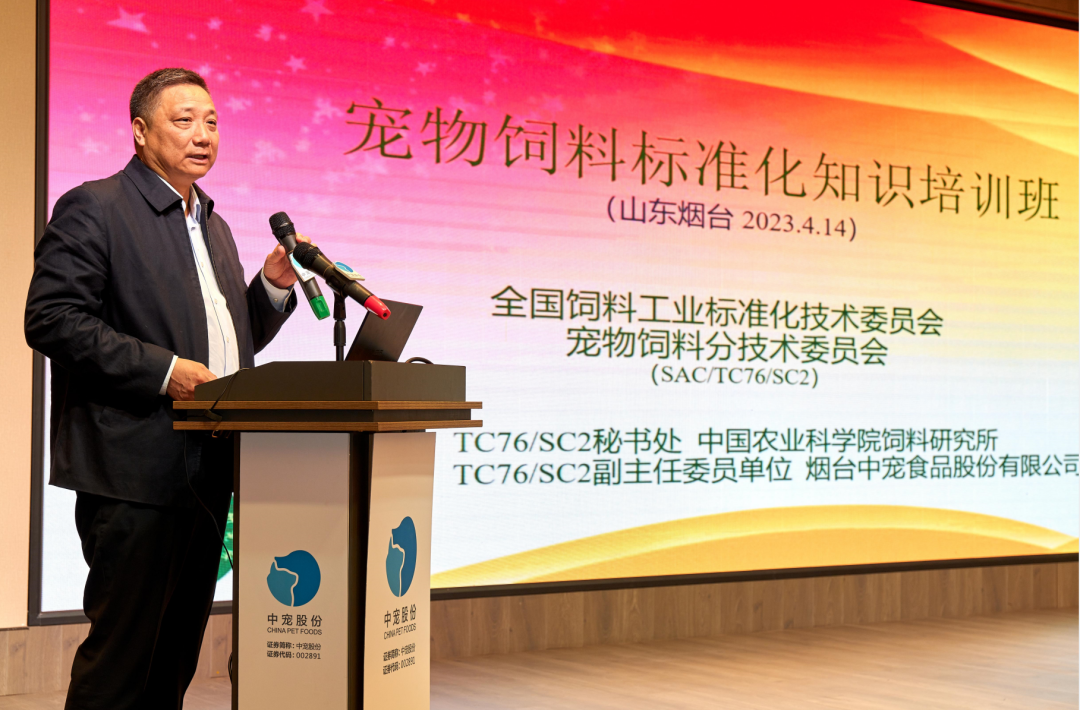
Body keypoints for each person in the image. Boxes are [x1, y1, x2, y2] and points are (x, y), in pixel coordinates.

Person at [25, 67, 306, 709]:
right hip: (134, 470)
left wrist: (270, 288)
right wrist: (164, 370)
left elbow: (225, 342)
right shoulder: (96, 207)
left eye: (212, 122)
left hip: (209, 468)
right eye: (184, 121)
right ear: (140, 130)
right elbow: (51, 318)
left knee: (175, 653)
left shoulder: (213, 224)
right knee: (123, 660)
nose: (203, 135)